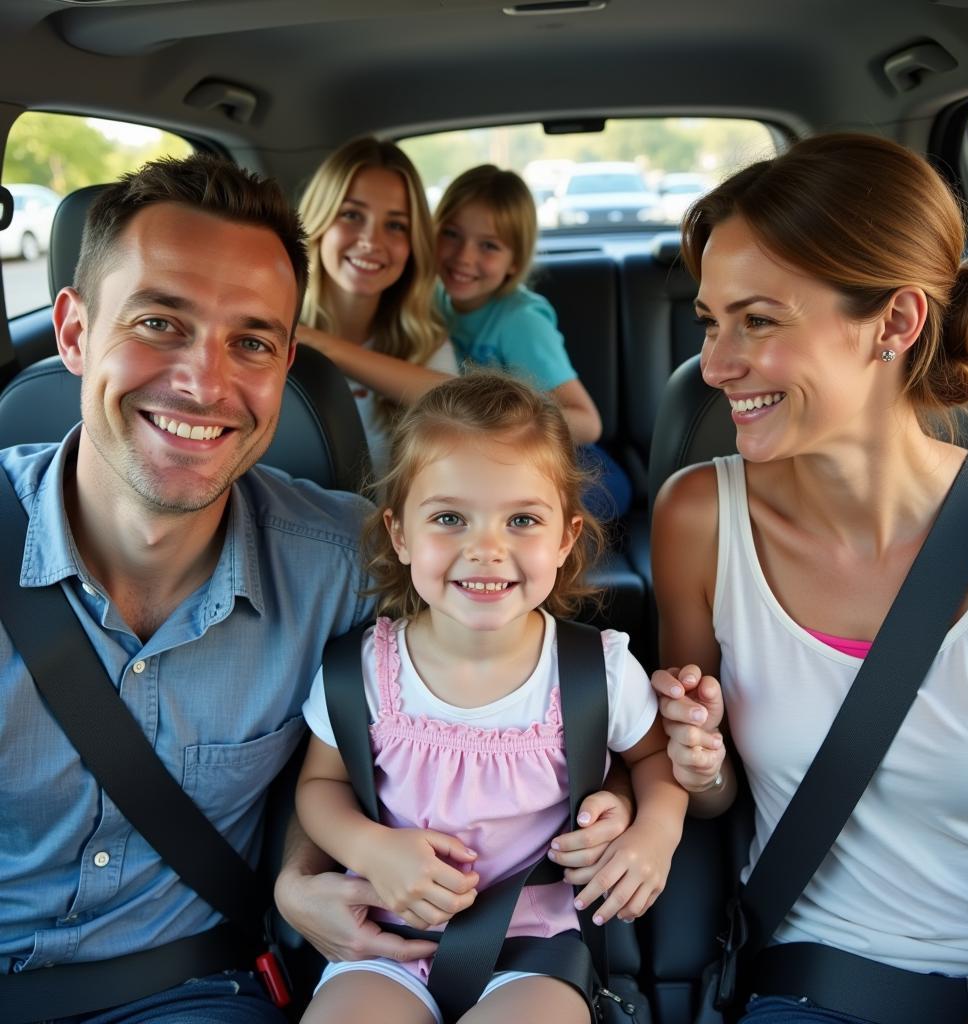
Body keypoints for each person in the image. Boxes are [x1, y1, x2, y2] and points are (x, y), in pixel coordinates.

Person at [0, 152, 449, 1024]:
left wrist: (300, 875)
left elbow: (450, 729)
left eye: (250, 342)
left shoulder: (346, 567)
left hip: (190, 988)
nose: (204, 384)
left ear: (286, 363)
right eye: (161, 323)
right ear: (72, 333)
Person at [649, 132, 968, 1023]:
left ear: (894, 323)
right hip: (817, 984)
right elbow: (717, 798)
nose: (715, 364)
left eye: (760, 320)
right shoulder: (699, 521)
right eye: (711, 321)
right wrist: (698, 768)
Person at [295, 371, 686, 1023]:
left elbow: (656, 762)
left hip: (539, 948)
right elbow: (319, 785)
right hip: (388, 940)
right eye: (450, 518)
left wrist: (655, 831)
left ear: (564, 538)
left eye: (522, 520)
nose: (485, 549)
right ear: (399, 534)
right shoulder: (366, 669)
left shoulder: (597, 670)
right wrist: (368, 848)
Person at [433, 165, 633, 520]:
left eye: (489, 246)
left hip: (576, 465)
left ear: (514, 261)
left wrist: (497, 427)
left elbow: (587, 423)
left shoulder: (518, 320)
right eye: (451, 234)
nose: (464, 256)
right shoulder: (431, 301)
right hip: (497, 465)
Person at [295, 136, 457, 479]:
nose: (371, 241)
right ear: (319, 222)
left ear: (413, 245)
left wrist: (323, 346)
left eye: (395, 225)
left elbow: (460, 409)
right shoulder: (270, 327)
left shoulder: (424, 341)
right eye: (352, 215)